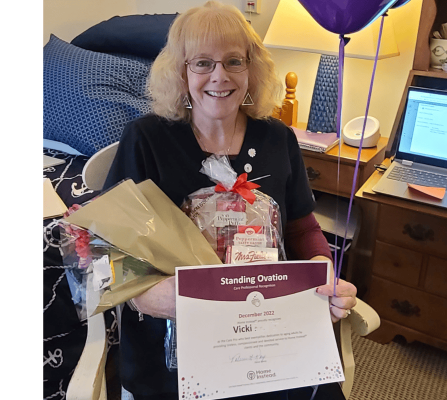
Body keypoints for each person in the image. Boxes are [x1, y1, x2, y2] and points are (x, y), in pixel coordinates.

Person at [103, 2, 358, 399]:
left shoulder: (278, 138)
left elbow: (302, 226)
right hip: (177, 346)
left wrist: (322, 273)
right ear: (181, 70)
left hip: (267, 329)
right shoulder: (147, 139)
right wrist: (144, 296)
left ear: (251, 69)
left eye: (233, 61)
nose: (219, 76)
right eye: (202, 63)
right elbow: (106, 247)